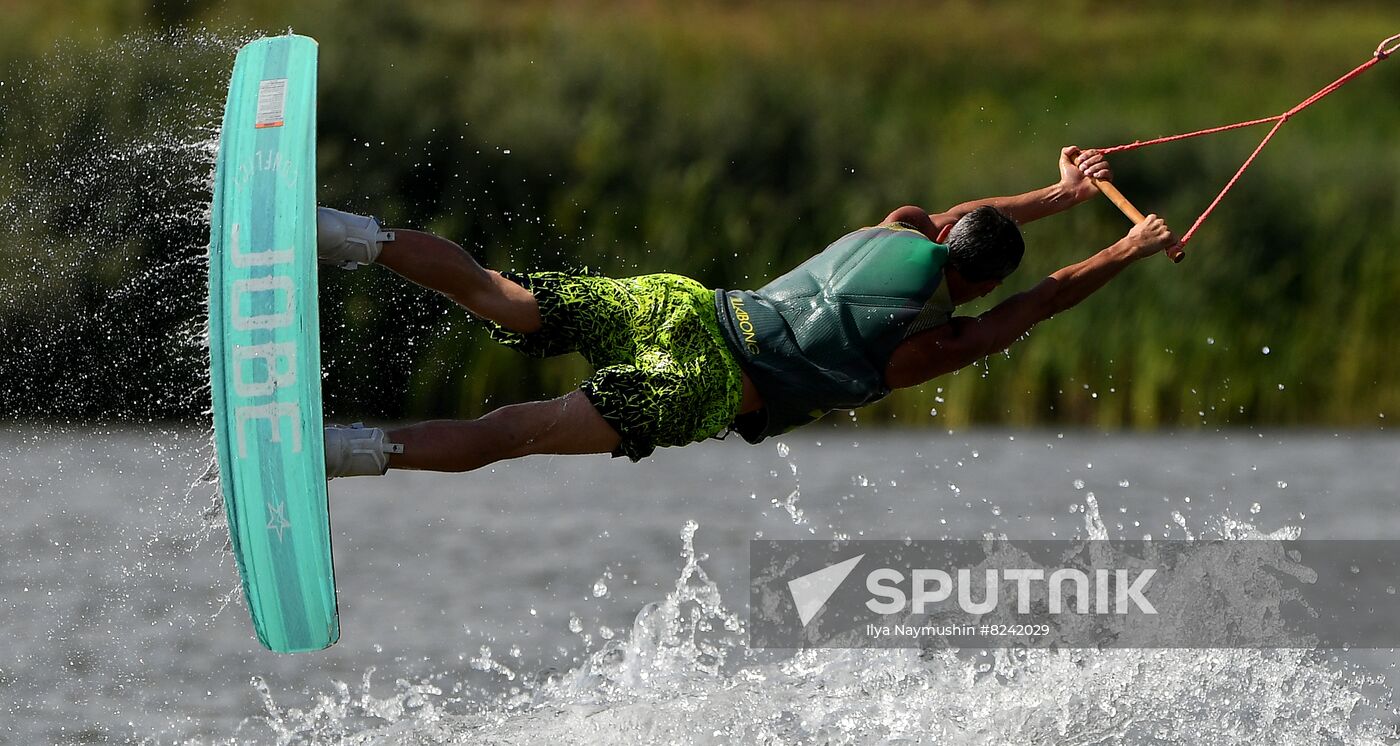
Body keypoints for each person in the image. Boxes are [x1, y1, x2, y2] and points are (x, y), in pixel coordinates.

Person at [319, 146, 1177, 478]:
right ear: (977, 283)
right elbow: (1036, 305)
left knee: (499, 294)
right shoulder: (926, 345)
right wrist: (1123, 250)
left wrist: (1061, 196)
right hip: (706, 380)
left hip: (684, 304)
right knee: (515, 430)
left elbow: (969, 218)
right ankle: (342, 451)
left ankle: (344, 234)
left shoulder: (904, 226)